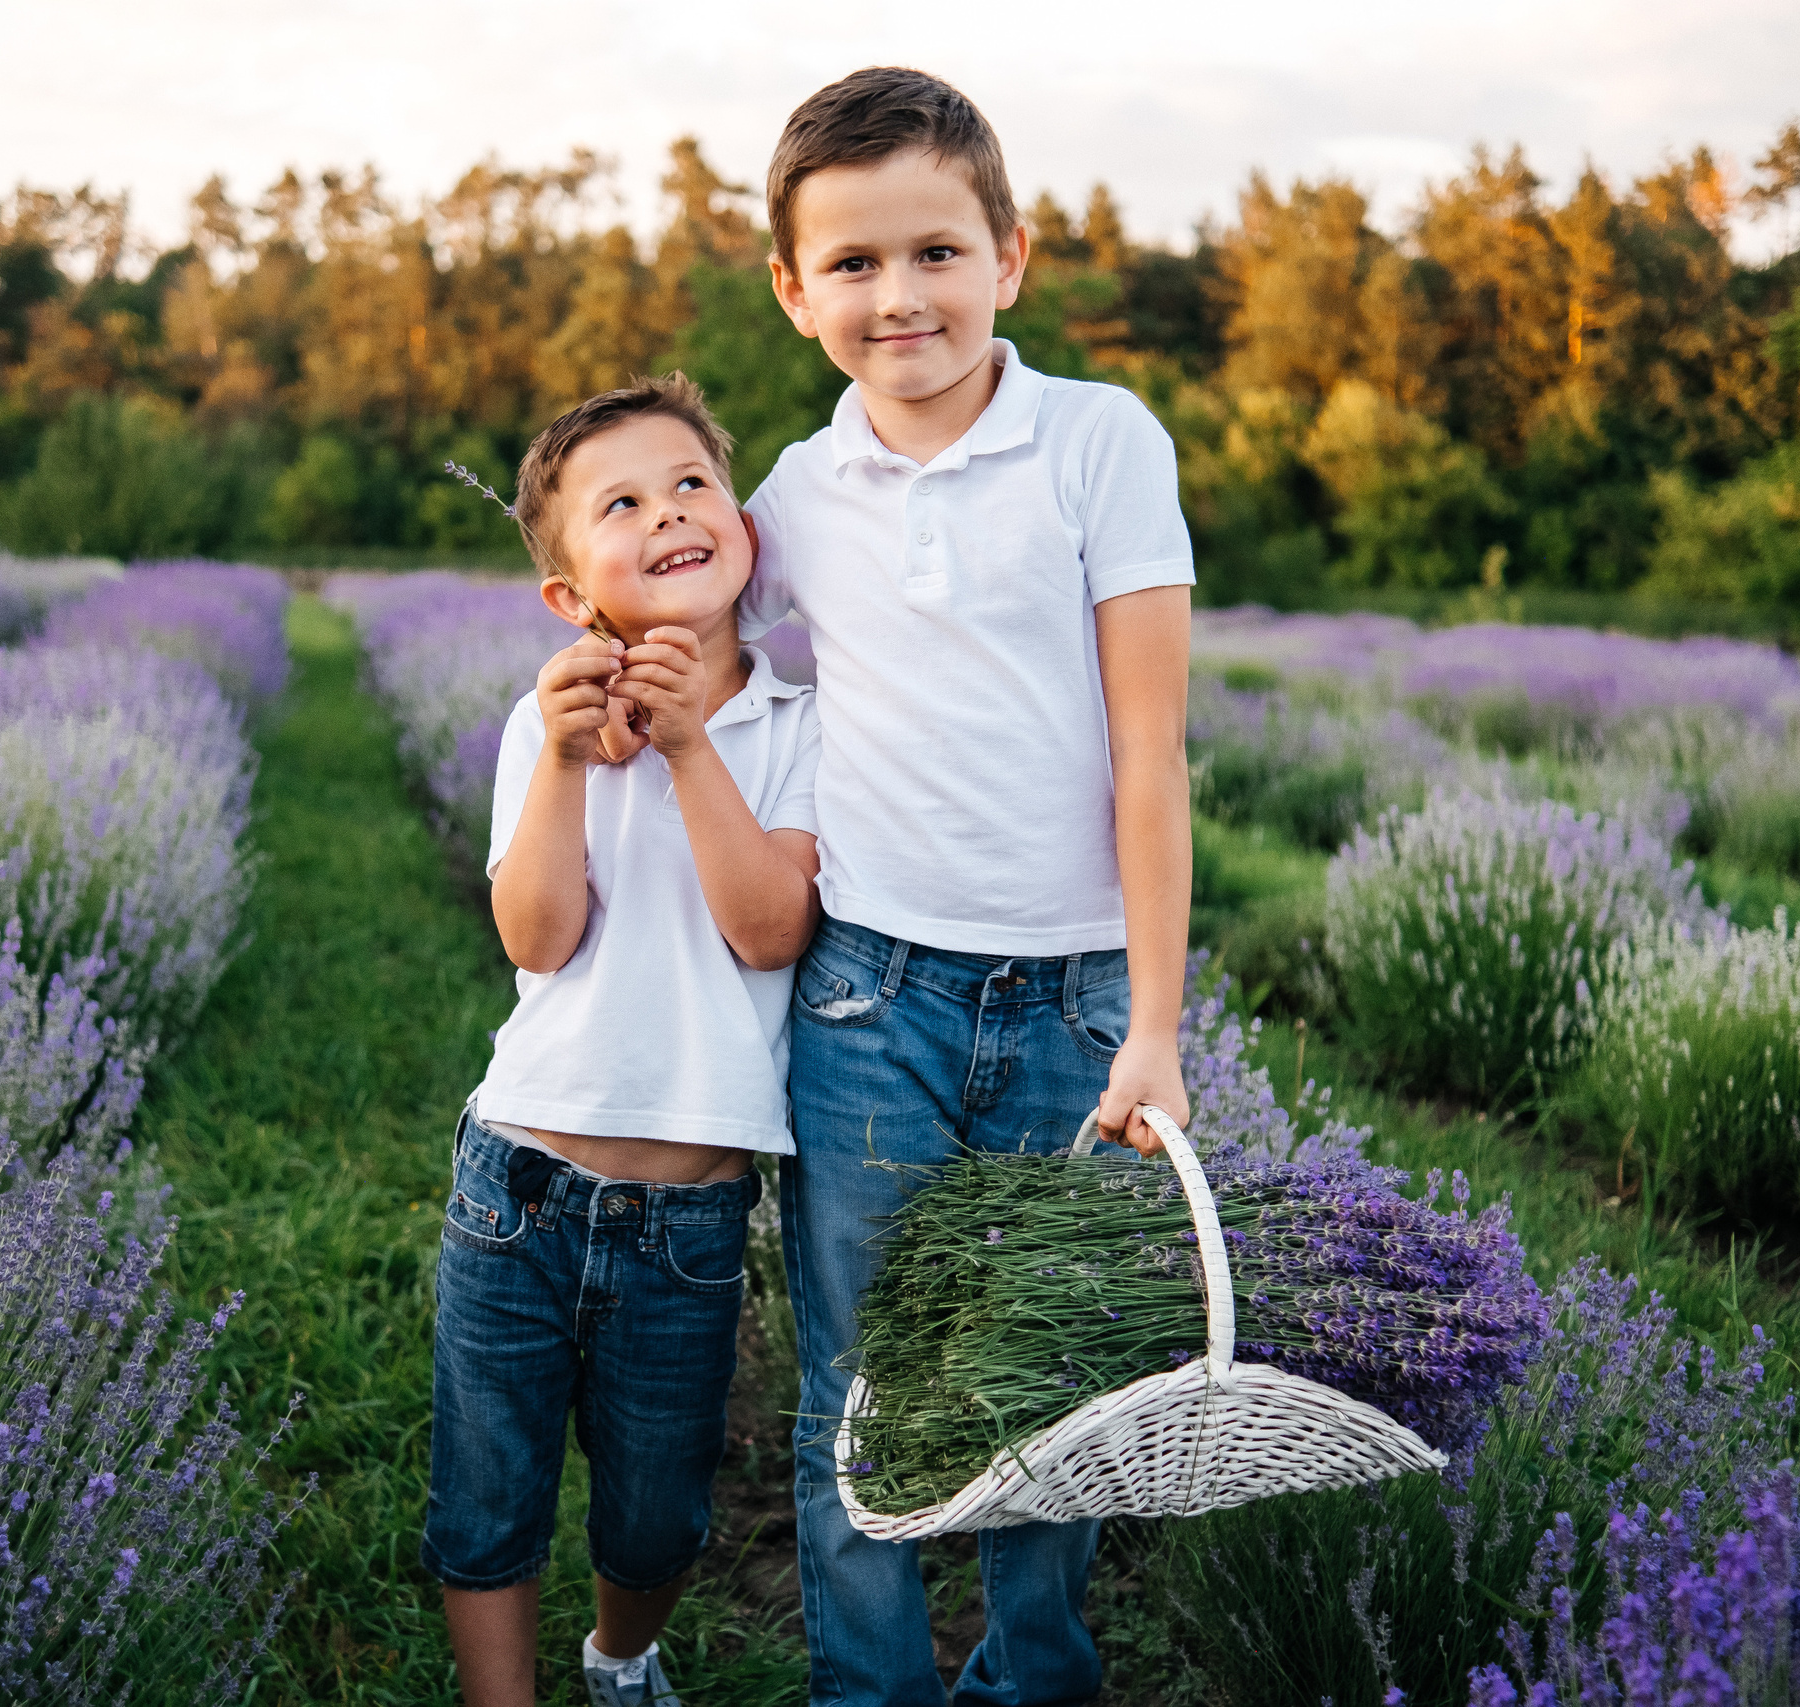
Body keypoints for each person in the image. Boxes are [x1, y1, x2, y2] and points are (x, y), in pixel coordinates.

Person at [745, 66, 1196, 1707]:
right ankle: (872, 1693)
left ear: (1011, 254)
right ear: (795, 293)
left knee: (1050, 1385)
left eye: (935, 251)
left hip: (1074, 1004)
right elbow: (681, 615)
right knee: (861, 1397)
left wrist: (1151, 1024)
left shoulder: (1097, 441)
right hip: (869, 995)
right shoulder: (792, 495)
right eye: (853, 265)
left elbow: (1149, 757)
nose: (899, 296)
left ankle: (1034, 1682)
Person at [423, 374, 823, 1707]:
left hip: (689, 1219)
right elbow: (537, 936)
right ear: (571, 595)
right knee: (489, 1492)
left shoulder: (802, 727)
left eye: (693, 485)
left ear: (744, 527)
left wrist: (691, 747)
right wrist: (565, 761)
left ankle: (619, 1654)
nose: (670, 515)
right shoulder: (546, 733)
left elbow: (770, 929)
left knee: (658, 1518)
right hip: (521, 1181)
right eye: (625, 504)